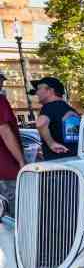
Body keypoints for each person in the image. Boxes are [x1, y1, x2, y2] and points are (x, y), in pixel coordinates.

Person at [30, 76, 80, 161]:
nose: (37, 93)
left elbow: (41, 123)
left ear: (50, 91)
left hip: (56, 162)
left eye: (39, 89)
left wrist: (51, 144)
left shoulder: (49, 107)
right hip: (74, 160)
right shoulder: (71, 110)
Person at [0, 73, 25, 208]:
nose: (2, 84)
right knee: (15, 214)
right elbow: (5, 131)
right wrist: (21, 160)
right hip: (6, 169)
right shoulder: (0, 100)